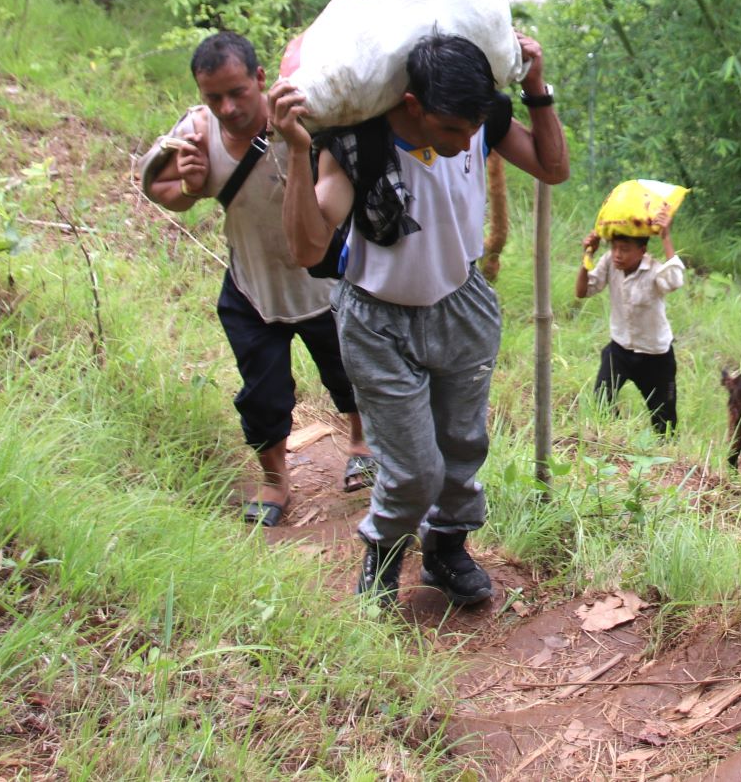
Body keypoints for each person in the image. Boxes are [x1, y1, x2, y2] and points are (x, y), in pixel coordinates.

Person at [274, 32, 568, 608]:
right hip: (377, 322)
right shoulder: (357, 146)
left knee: (463, 446)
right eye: (451, 131)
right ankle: (383, 553)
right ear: (413, 107)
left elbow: (552, 168)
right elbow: (309, 249)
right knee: (412, 468)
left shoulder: (479, 122)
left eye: (471, 131)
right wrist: (293, 150)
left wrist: (536, 88)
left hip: (461, 303)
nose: (466, 146)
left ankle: (446, 550)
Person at [141, 31, 371, 529]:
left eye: (237, 92)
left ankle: (361, 443)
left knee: (348, 371)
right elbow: (161, 191)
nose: (226, 108)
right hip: (252, 288)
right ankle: (274, 480)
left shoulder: (305, 114)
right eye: (213, 97)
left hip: (324, 283)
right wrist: (189, 182)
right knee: (262, 393)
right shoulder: (197, 131)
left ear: (260, 78)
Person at [577, 206, 685, 433]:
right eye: (614, 248)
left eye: (625, 249)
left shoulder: (654, 270)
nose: (617, 254)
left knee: (664, 421)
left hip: (655, 355)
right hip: (620, 349)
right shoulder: (609, 263)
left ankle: (662, 455)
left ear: (642, 250)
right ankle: (615, 438)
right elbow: (583, 290)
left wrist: (666, 238)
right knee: (602, 399)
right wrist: (588, 254)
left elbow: (675, 281)